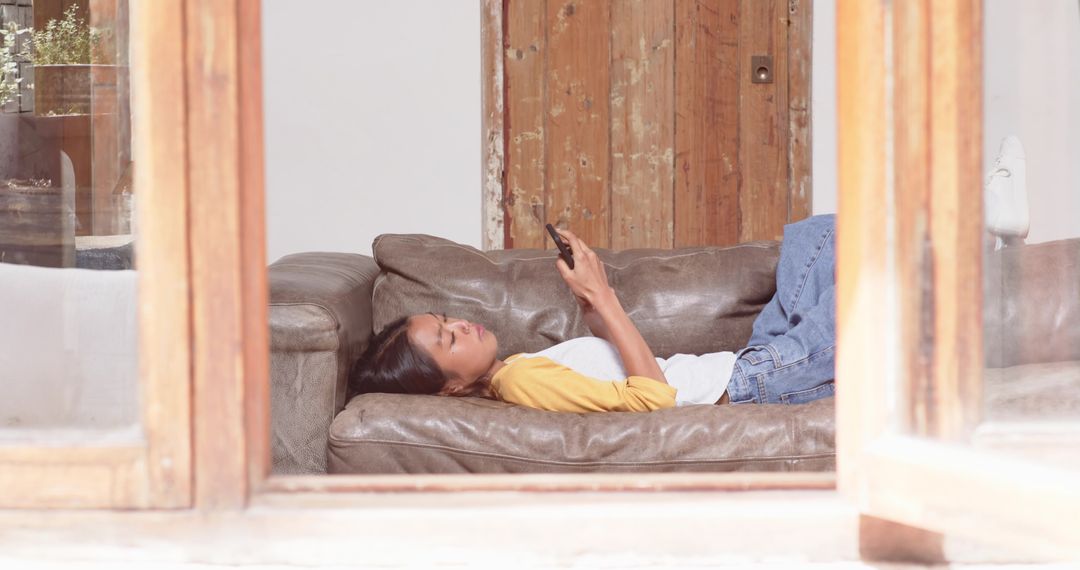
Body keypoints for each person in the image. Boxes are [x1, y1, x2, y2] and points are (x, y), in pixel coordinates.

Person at [348, 214, 838, 412]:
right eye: (447, 340)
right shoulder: (522, 385)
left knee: (815, 238)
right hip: (752, 384)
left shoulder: (519, 368)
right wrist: (604, 296)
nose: (459, 325)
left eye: (444, 320)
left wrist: (591, 303)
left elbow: (617, 373)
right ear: (450, 387)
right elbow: (653, 398)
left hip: (751, 358)